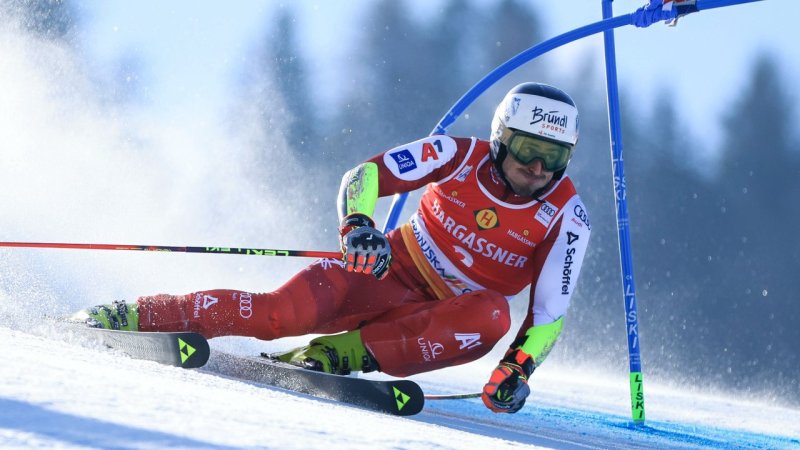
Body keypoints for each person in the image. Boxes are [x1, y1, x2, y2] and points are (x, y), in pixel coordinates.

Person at [74, 82, 591, 414]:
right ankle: (132, 314)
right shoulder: (455, 155)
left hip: (443, 317)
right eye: (528, 150)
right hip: (385, 273)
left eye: (555, 156)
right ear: (501, 138)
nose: (539, 169)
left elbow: (548, 314)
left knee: (493, 315)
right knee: (277, 314)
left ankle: (329, 358)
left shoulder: (567, 217)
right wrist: (359, 224)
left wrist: (516, 370)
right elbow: (365, 174)